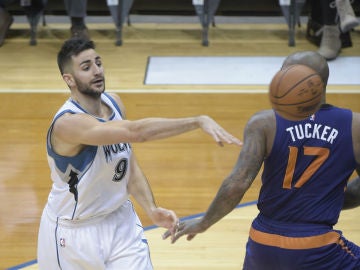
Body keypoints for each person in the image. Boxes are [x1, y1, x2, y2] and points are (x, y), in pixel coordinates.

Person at [36, 37, 241, 270]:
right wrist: (196, 121)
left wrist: (151, 208)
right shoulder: (67, 124)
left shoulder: (114, 102)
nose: (97, 71)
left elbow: (127, 163)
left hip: (120, 220)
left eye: (98, 63)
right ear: (69, 79)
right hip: (74, 232)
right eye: (86, 67)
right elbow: (136, 132)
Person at [166, 51, 360, 269]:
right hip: (316, 245)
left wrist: (204, 222)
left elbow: (237, 183)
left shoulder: (264, 122)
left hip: (263, 243)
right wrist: (330, 199)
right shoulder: (354, 126)